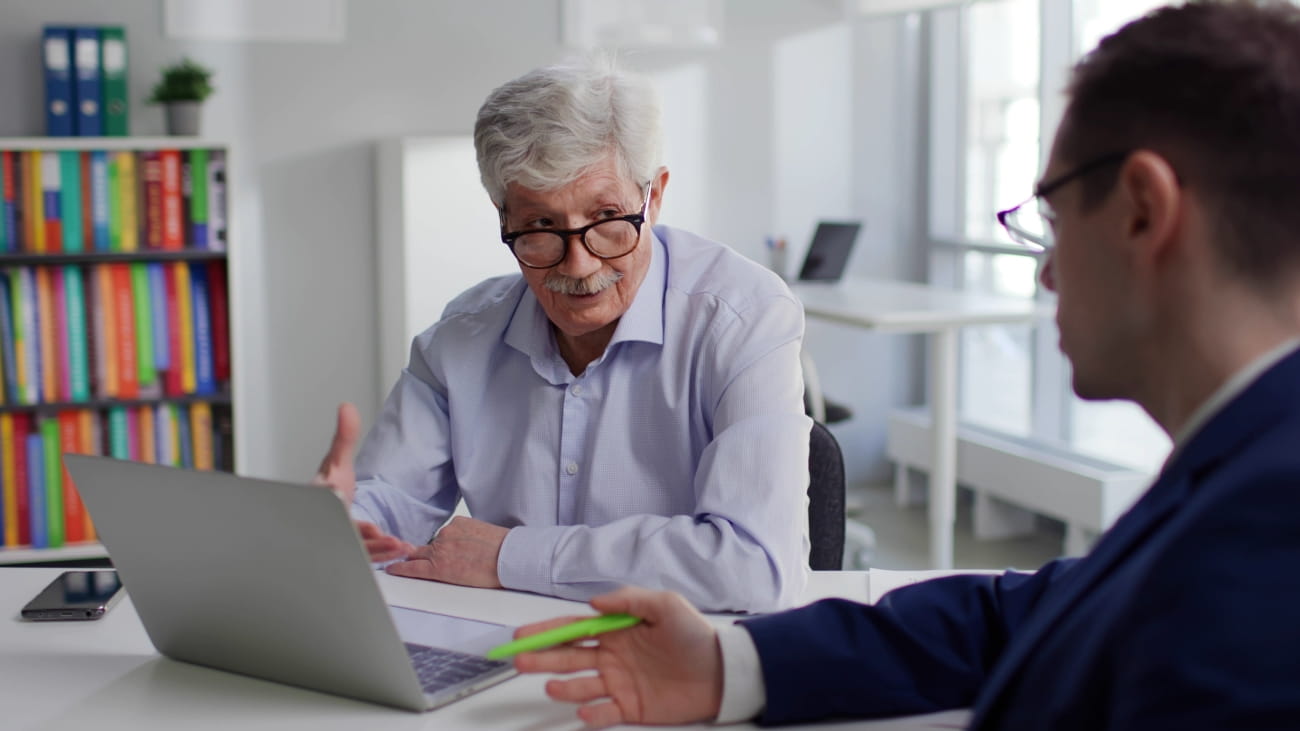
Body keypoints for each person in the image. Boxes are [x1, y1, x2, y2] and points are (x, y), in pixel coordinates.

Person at [510, 2, 1300, 727]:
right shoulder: (1243, 469)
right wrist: (729, 662)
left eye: (1053, 218)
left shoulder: (1259, 550)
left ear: (1141, 211)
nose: (1046, 270)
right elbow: (1026, 613)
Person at [313, 55, 812, 613]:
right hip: (504, 654)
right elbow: (387, 509)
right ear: (503, 217)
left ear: (657, 196)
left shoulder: (744, 318)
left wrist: (510, 557)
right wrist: (337, 525)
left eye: (606, 220)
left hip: (684, 657)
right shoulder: (461, 338)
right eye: (540, 228)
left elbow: (755, 565)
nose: (578, 266)